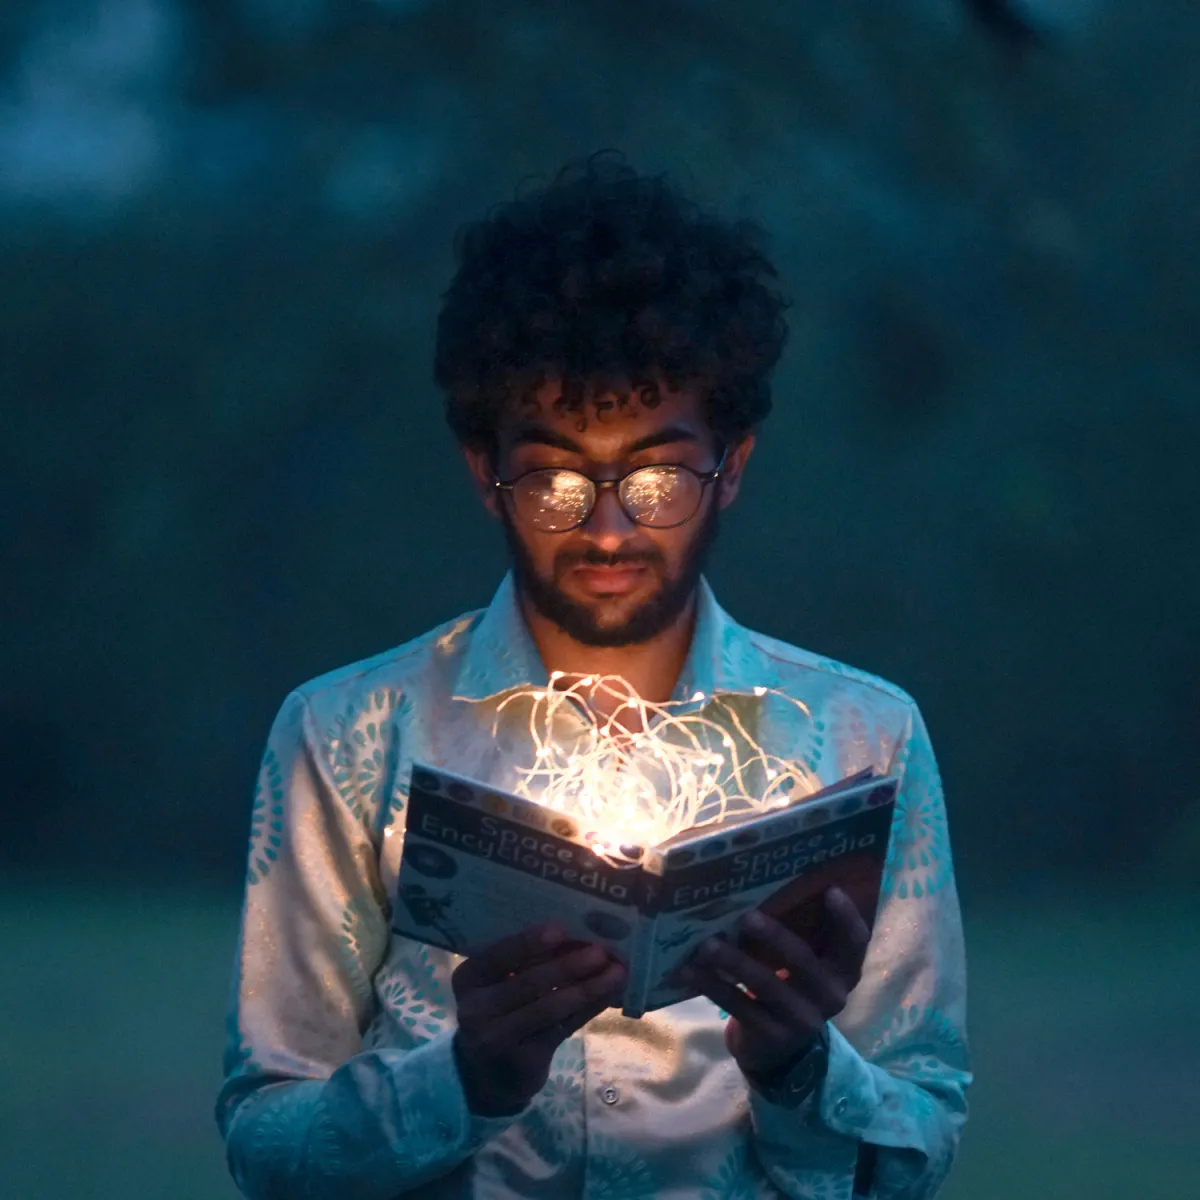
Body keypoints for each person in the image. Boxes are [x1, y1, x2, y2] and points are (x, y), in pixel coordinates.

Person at [215, 153, 970, 1199]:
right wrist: (469, 1078)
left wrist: (800, 1068)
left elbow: (920, 1144)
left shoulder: (861, 741)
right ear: (486, 470)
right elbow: (269, 1143)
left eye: (657, 475)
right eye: (559, 477)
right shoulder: (351, 734)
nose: (609, 528)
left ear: (731, 468)